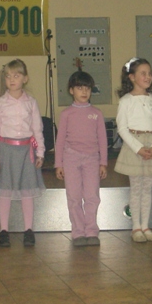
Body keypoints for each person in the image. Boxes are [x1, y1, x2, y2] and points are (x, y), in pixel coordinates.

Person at [0, 59, 45, 247]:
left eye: (16, 76)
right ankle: (3, 230)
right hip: (7, 151)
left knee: (27, 190)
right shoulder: (0, 104)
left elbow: (37, 129)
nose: (12, 80)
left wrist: (40, 152)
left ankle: (29, 230)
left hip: (27, 151)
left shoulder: (31, 103)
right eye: (8, 76)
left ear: (25, 79)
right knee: (5, 191)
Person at [115, 57, 152, 243]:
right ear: (132, 77)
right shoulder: (126, 101)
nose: (148, 77)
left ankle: (145, 225)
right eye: (143, 73)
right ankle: (135, 227)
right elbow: (122, 128)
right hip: (134, 147)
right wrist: (138, 148)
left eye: (149, 73)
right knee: (136, 188)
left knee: (147, 189)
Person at [55, 71, 108, 247]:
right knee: (74, 196)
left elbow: (102, 140)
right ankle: (78, 231)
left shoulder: (96, 113)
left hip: (92, 159)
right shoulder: (66, 114)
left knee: (92, 196)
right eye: (79, 88)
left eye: (87, 88)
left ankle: (91, 231)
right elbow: (60, 140)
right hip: (71, 158)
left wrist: (103, 162)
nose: (84, 91)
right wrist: (58, 164)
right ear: (71, 90)